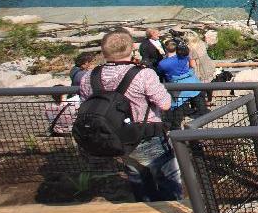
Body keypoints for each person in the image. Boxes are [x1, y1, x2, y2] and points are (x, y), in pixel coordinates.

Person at [78, 29, 180, 201]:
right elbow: (165, 103)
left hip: (114, 136)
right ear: (132, 48)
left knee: (138, 179)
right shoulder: (143, 74)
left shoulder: (89, 76)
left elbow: (86, 104)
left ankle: (146, 208)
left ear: (103, 51)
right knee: (169, 179)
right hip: (148, 134)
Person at [157, 40, 207, 128]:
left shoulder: (163, 63)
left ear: (166, 49)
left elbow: (160, 73)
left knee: (177, 107)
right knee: (199, 101)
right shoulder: (184, 57)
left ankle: (176, 126)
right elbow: (191, 65)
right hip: (192, 81)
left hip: (177, 86)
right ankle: (205, 117)